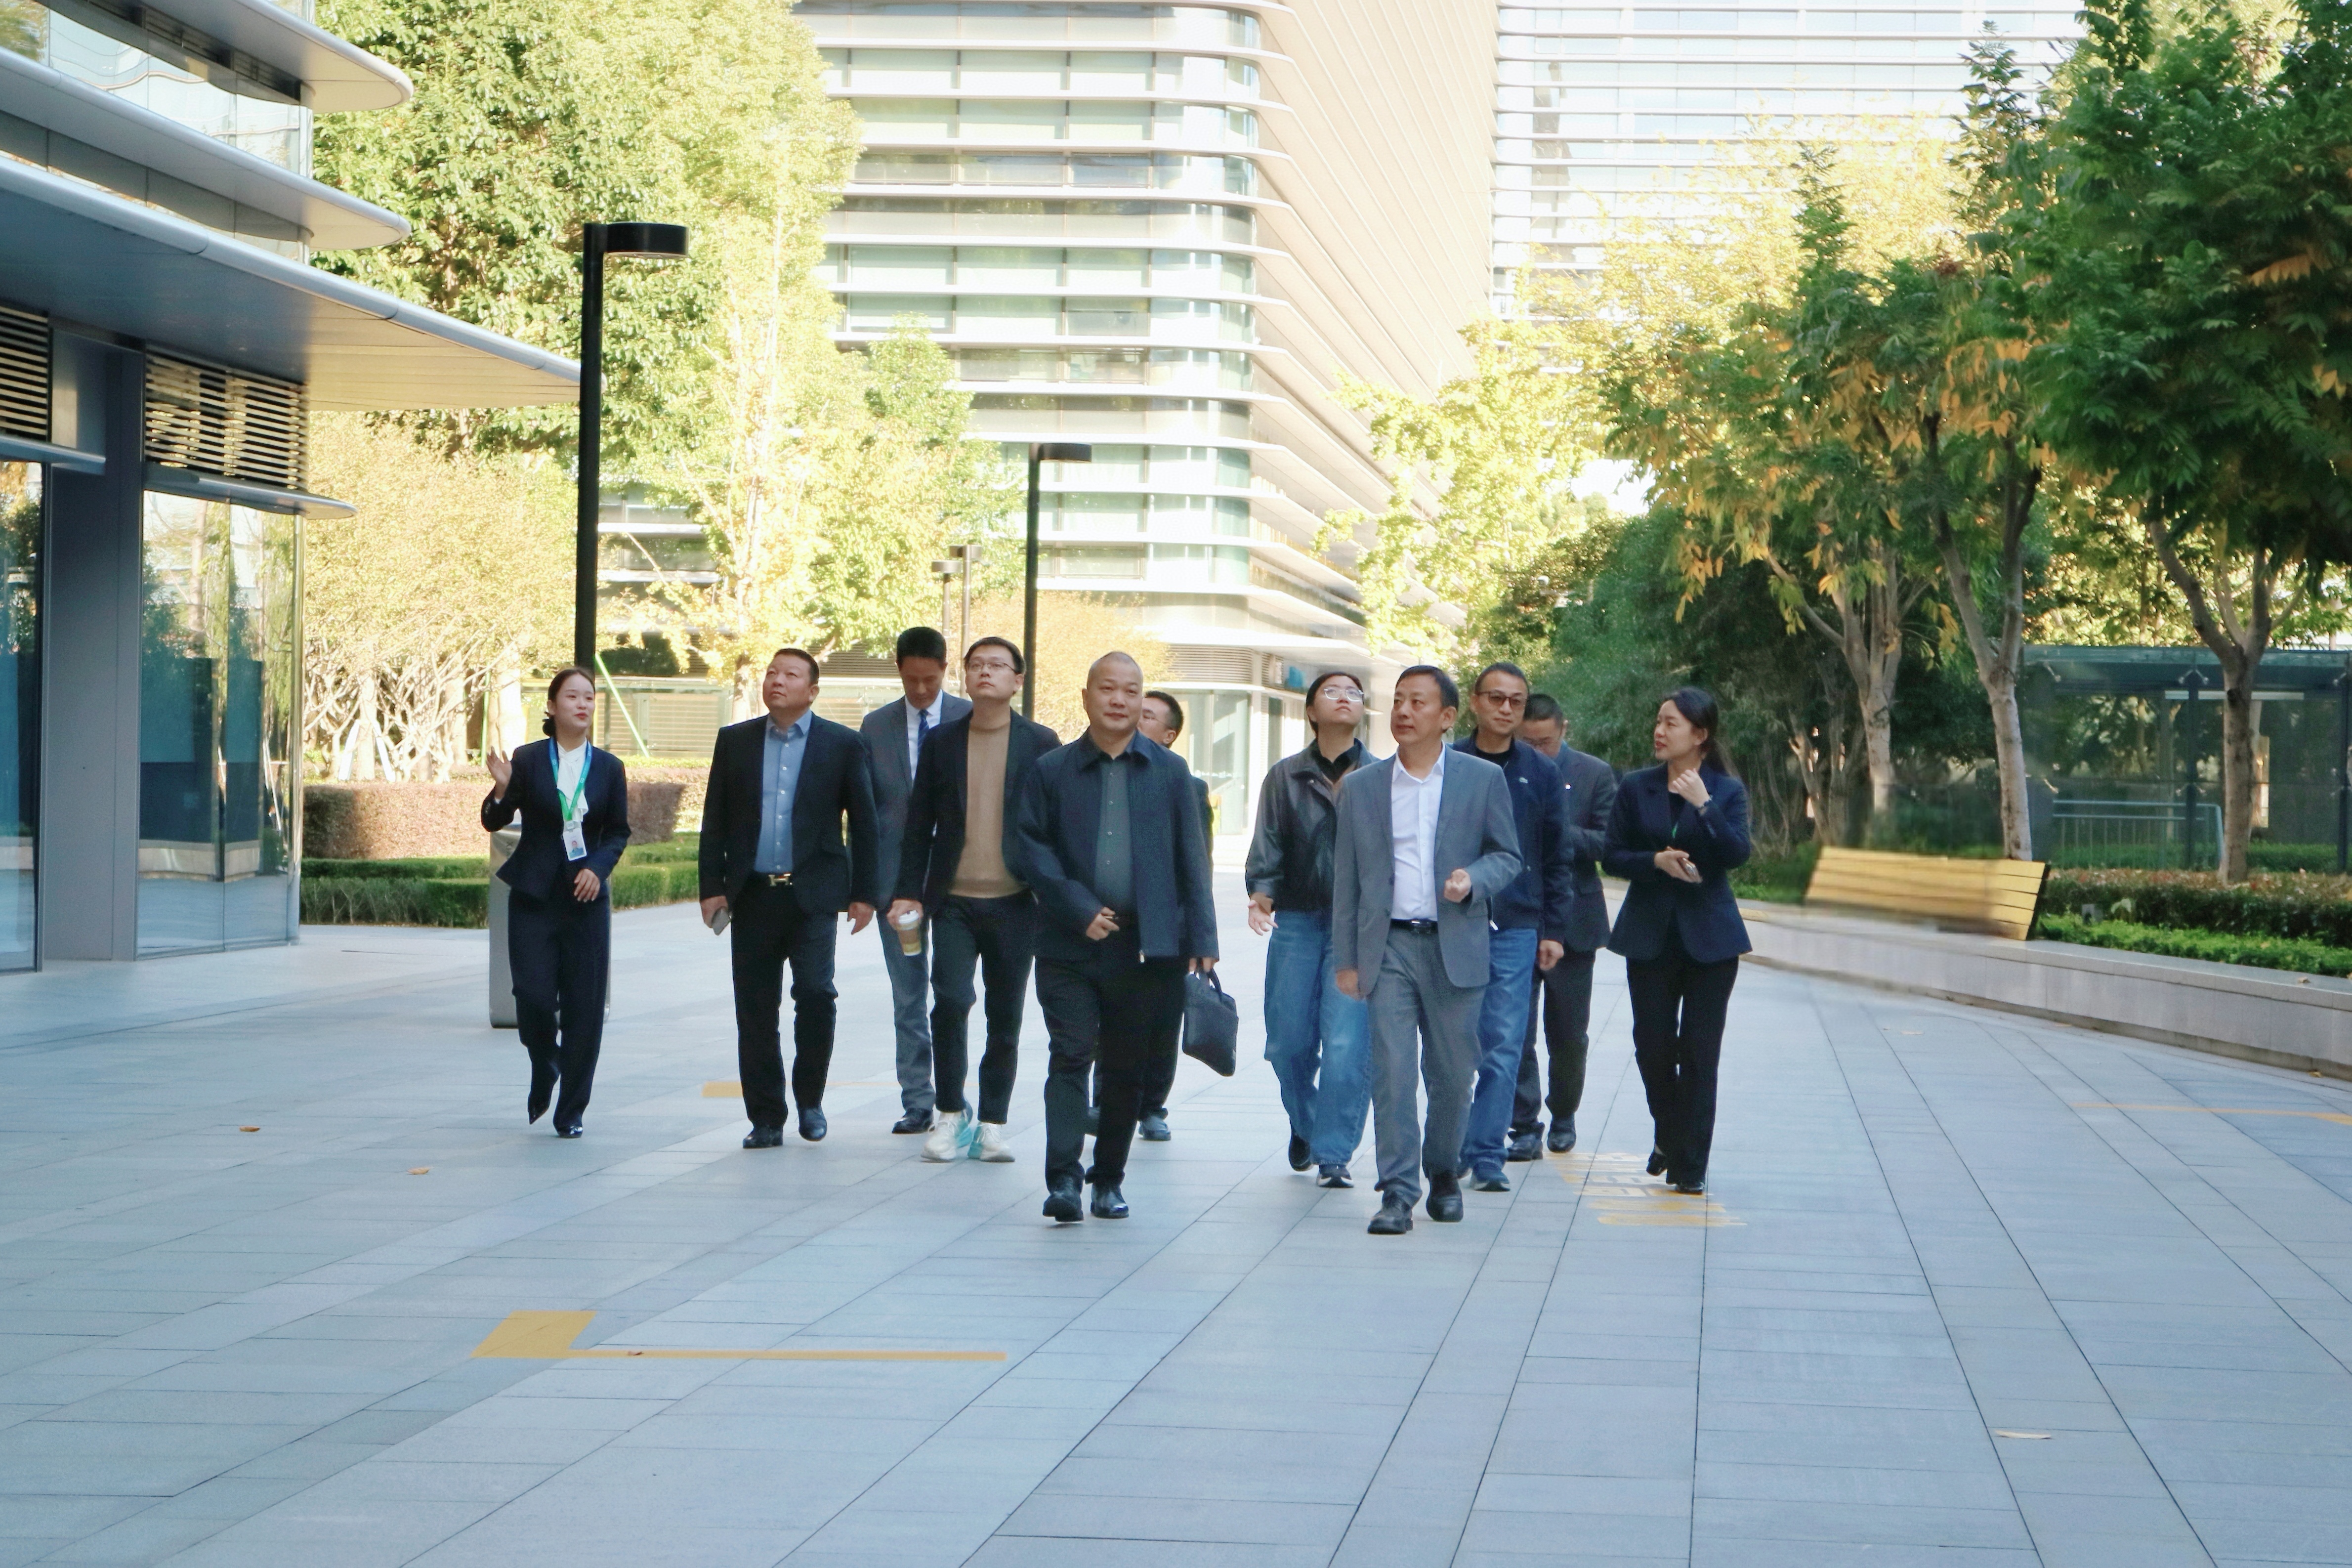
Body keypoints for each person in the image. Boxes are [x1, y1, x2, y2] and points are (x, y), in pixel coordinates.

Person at [1011, 652, 1218, 1223]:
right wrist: (1078, 907)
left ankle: (1107, 1179)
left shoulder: (1170, 772)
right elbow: (1030, 848)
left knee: (1126, 1066)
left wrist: (1202, 935)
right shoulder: (1050, 770)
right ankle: (1062, 1179)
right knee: (1070, 1052)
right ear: (1086, 696)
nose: (1119, 699)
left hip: (1145, 945)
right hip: (1068, 942)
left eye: (1130, 690)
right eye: (1107, 688)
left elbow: (1192, 858)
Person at [1332, 666, 1520, 1236]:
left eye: (1418, 702)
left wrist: (1473, 879)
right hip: (1387, 945)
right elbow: (1346, 878)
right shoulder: (1362, 786)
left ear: (1446, 717)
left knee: (1452, 1075)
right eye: (1398, 700)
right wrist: (1346, 958)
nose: (1403, 711)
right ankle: (1396, 1190)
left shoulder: (1481, 779)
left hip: (1454, 945)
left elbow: (1507, 856)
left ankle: (1442, 1171)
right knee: (1391, 1070)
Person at [699, 648, 880, 1150]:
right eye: (772, 673)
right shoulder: (735, 741)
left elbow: (865, 824)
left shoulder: (841, 743)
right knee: (755, 1008)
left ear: (812, 690)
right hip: (753, 895)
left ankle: (810, 1099)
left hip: (813, 896)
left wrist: (864, 893)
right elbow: (714, 819)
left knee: (817, 995)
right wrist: (711, 887)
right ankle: (765, 1117)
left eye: (791, 675)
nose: (777, 681)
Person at [887, 636, 1058, 1164]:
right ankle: (949, 1115)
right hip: (954, 900)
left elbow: (1055, 826)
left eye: (997, 665)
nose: (986, 672)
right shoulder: (942, 740)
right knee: (950, 1003)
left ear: (1017, 680)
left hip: (1016, 900)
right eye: (977, 664)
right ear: (964, 675)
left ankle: (992, 1123)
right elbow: (919, 823)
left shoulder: (1040, 742)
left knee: (1005, 1016)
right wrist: (907, 891)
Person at [1602, 685, 1751, 1196]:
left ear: (1700, 734)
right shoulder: (1635, 786)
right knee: (1652, 1047)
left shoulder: (1725, 791)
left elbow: (1736, 854)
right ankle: (1669, 1132)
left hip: (1711, 941)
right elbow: (1611, 854)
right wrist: (1654, 862)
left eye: (1671, 723)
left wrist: (1703, 806)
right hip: (1649, 936)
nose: (1659, 731)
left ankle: (1690, 1166)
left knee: (1700, 1053)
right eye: (1658, 721)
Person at [482, 668, 631, 1139]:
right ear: (551, 706)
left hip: (586, 900)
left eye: (589, 697)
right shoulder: (528, 759)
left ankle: (572, 1109)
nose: (582, 704)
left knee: (585, 1007)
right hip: (535, 895)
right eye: (572, 697)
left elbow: (618, 832)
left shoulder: (609, 767)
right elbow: (494, 820)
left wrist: (598, 868)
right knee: (533, 997)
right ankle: (545, 1060)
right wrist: (502, 789)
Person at [1245, 671, 1372, 1187]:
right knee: (1287, 1042)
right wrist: (1261, 889)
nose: (1344, 697)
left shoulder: (1381, 775)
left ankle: (1333, 1152)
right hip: (1297, 919)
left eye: (1354, 692)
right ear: (1312, 711)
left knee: (1345, 1044)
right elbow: (1268, 838)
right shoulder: (1285, 775)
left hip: (1356, 926)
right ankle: (1307, 1122)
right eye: (1331, 691)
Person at [1452, 662, 1575, 1193]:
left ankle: (1486, 1153)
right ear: (1474, 702)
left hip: (1517, 925)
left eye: (1516, 701)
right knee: (1455, 1044)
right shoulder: (1448, 761)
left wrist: (1553, 929)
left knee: (1504, 1043)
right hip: (1454, 921)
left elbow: (1556, 855)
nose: (1506, 708)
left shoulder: (1540, 773)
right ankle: (1453, 1144)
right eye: (1496, 698)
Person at [859, 628, 969, 1135]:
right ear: (898, 671)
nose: (921, 690)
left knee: (953, 994)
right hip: (895, 884)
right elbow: (862, 813)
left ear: (945, 669)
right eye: (911, 680)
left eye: (930, 679)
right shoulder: (876, 726)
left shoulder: (970, 718)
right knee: (908, 995)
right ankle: (918, 1099)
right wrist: (863, 887)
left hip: (956, 882)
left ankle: (952, 1096)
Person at [1511, 694, 1616, 1158]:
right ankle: (1523, 1122)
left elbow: (1609, 843)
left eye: (1545, 743)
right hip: (1516, 916)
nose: (1537, 751)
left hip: (1574, 921)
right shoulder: (1501, 769)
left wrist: (1554, 830)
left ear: (1563, 730)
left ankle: (1564, 1112)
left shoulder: (1594, 773)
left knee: (1569, 1033)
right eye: (1528, 742)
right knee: (1515, 1029)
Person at [1125, 688, 1212, 1143]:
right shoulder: (1107, 776)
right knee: (1113, 1017)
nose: (1136, 720)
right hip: (1115, 921)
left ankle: (1153, 1105)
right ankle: (1108, 1098)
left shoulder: (1188, 785)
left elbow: (1198, 864)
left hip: (1168, 926)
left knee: (1162, 1019)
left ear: (1170, 734)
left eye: (1148, 716)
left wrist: (1199, 935)